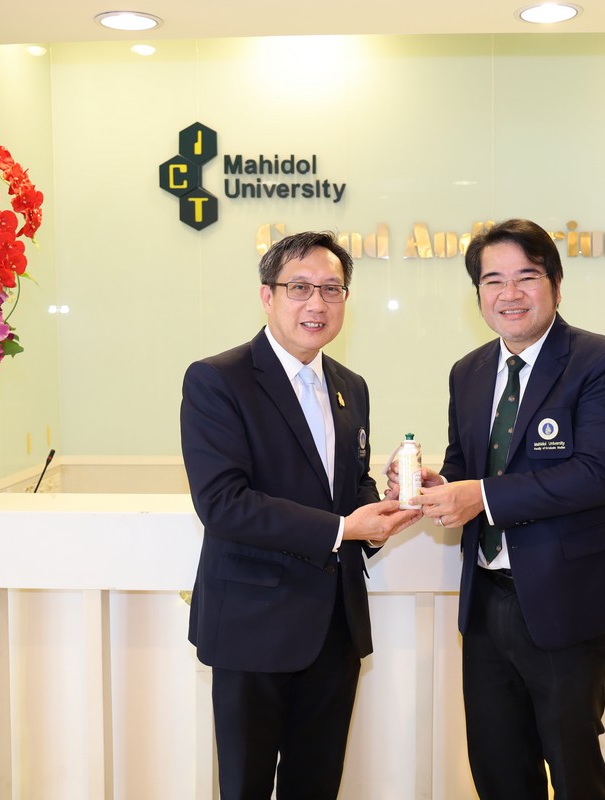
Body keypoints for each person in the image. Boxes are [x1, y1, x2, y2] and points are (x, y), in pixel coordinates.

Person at [393, 218, 605, 799]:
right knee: (497, 766)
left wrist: (480, 496)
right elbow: (466, 466)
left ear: (556, 283)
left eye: (526, 277)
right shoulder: (468, 372)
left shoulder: (602, 362)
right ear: (478, 293)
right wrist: (438, 484)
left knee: (572, 762)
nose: (509, 294)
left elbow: (594, 475)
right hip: (486, 600)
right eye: (493, 281)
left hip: (568, 597)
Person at [180, 231, 420, 799]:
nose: (317, 303)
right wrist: (343, 529)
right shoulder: (218, 379)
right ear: (267, 296)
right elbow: (222, 503)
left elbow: (348, 488)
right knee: (246, 787)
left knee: (317, 786)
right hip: (252, 624)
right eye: (300, 288)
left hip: (334, 628)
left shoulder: (350, 387)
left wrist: (383, 505)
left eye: (332, 289)